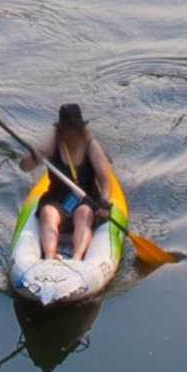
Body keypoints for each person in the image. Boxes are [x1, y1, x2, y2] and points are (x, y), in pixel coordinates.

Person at [24, 103, 118, 264]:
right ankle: (49, 256)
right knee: (47, 213)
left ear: (80, 128)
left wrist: (104, 202)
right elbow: (24, 166)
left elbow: (105, 181)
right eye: (66, 128)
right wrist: (33, 157)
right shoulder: (52, 144)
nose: (70, 132)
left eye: (73, 128)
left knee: (84, 214)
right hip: (56, 198)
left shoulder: (91, 147)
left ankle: (77, 257)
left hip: (86, 198)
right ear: (60, 129)